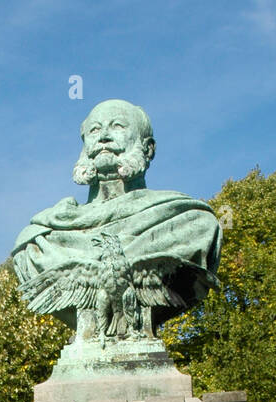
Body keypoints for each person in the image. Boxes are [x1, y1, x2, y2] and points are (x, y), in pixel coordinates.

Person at [12, 99, 221, 345]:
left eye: (118, 126)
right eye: (95, 130)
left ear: (148, 148)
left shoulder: (189, 220)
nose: (104, 137)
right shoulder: (38, 240)